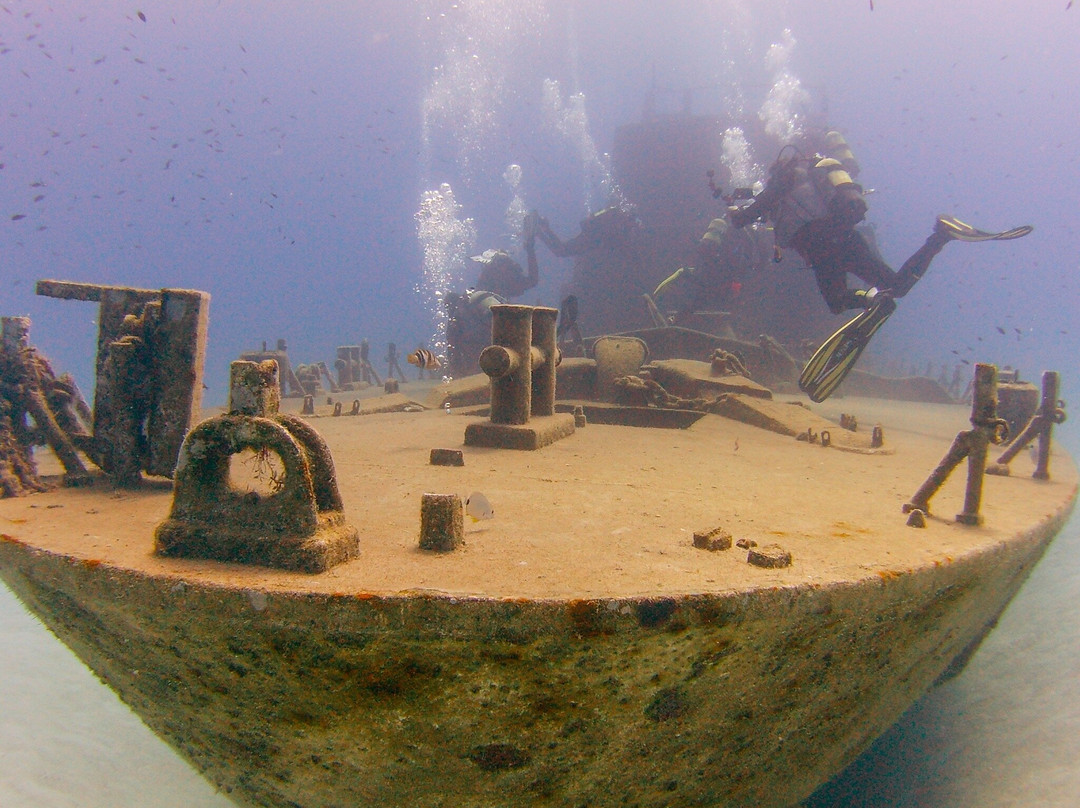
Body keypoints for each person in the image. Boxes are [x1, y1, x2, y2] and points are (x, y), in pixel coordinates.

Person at [729, 131, 957, 315]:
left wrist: (735, 214)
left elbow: (745, 218)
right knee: (896, 285)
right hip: (848, 235)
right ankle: (939, 237)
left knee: (837, 302)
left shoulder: (783, 180)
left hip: (820, 245)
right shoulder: (811, 176)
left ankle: (870, 297)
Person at [469, 211, 540, 300]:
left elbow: (532, 281)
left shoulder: (492, 274)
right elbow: (532, 280)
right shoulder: (503, 274)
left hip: (490, 297)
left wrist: (530, 251)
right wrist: (530, 251)